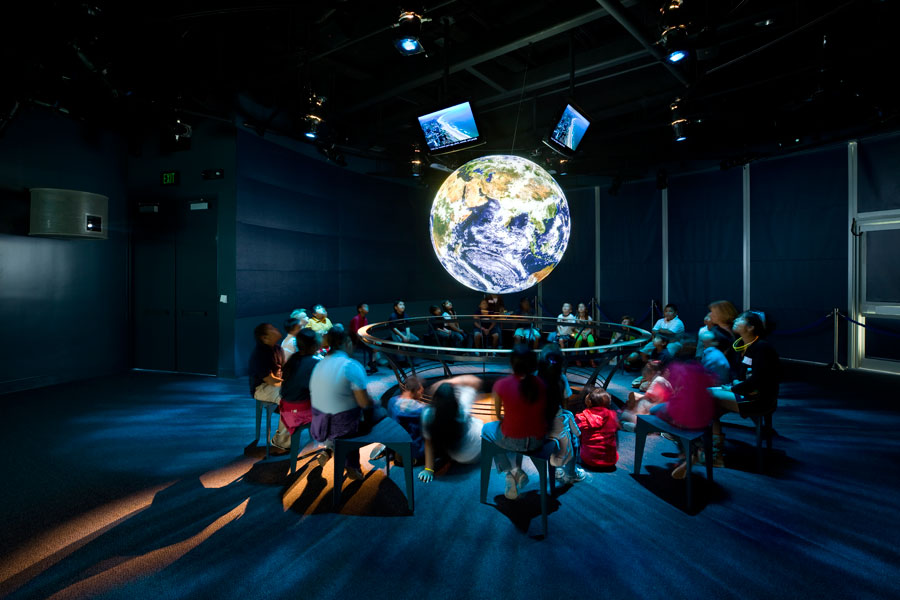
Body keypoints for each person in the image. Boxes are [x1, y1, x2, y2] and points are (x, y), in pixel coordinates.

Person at [309, 325, 385, 481]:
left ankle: (331, 450)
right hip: (343, 427)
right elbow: (364, 403)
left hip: (319, 425)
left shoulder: (318, 364)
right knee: (381, 410)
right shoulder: (350, 365)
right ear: (347, 343)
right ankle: (356, 464)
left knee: (342, 409)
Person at [706, 311, 780, 467]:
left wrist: (733, 389)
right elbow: (743, 375)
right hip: (747, 392)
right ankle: (711, 450)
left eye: (740, 319)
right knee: (709, 405)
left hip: (758, 398)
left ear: (751, 327)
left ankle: (712, 452)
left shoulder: (762, 347)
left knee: (709, 396)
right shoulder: (745, 346)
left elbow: (758, 379)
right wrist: (734, 386)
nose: (735, 320)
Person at [481, 344, 548, 499]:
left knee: (487, 430)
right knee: (503, 431)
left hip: (512, 441)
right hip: (538, 441)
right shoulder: (542, 384)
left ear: (511, 364)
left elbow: (497, 415)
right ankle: (513, 472)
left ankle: (511, 471)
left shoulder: (501, 385)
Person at [649, 360, 716, 478]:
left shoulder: (676, 368)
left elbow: (673, 393)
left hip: (683, 415)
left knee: (655, 411)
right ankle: (697, 448)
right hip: (705, 417)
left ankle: (685, 451)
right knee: (689, 421)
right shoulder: (701, 369)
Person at [418, 375, 485, 482]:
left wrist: (429, 469)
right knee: (480, 422)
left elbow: (428, 443)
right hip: (477, 450)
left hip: (457, 455)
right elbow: (476, 381)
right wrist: (450, 381)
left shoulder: (427, 414)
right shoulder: (462, 407)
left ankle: (449, 460)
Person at [537, 345, 584, 484]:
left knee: (552, 437)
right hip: (555, 421)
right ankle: (570, 473)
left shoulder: (534, 377)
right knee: (573, 439)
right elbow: (565, 401)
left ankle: (556, 468)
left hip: (537, 424)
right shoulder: (561, 379)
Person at [271, 329, 319, 452]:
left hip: (286, 410)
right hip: (300, 413)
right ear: (314, 345)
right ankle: (330, 446)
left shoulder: (292, 360)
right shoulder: (315, 362)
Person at [370, 376, 427, 465]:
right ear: (414, 391)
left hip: (395, 441)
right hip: (413, 450)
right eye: (421, 392)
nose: (422, 395)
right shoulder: (420, 409)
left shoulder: (392, 401)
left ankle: (389, 448)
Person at [620, 360, 672, 431]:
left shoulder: (658, 381)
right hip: (661, 411)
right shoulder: (660, 379)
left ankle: (643, 427)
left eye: (646, 370)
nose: (644, 373)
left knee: (625, 414)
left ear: (652, 372)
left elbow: (649, 400)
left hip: (658, 414)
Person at [574, 388, 619, 470]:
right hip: (610, 461)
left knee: (573, 435)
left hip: (589, 460)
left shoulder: (581, 417)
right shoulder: (613, 415)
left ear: (588, 402)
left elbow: (577, 434)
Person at [628, 303, 684, 367]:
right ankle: (651, 367)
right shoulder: (660, 321)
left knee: (666, 355)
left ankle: (664, 369)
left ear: (675, 313)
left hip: (673, 342)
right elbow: (653, 331)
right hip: (659, 341)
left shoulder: (678, 322)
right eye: (666, 311)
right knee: (643, 351)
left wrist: (660, 330)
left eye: (670, 311)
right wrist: (662, 331)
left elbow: (670, 332)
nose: (667, 313)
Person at [349, 302, 377, 375]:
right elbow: (356, 333)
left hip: (362, 339)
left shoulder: (365, 319)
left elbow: (365, 332)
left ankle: (371, 363)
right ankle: (371, 364)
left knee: (375, 345)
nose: (367, 308)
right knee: (372, 346)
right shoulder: (356, 319)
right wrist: (366, 341)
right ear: (360, 309)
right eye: (365, 307)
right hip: (355, 341)